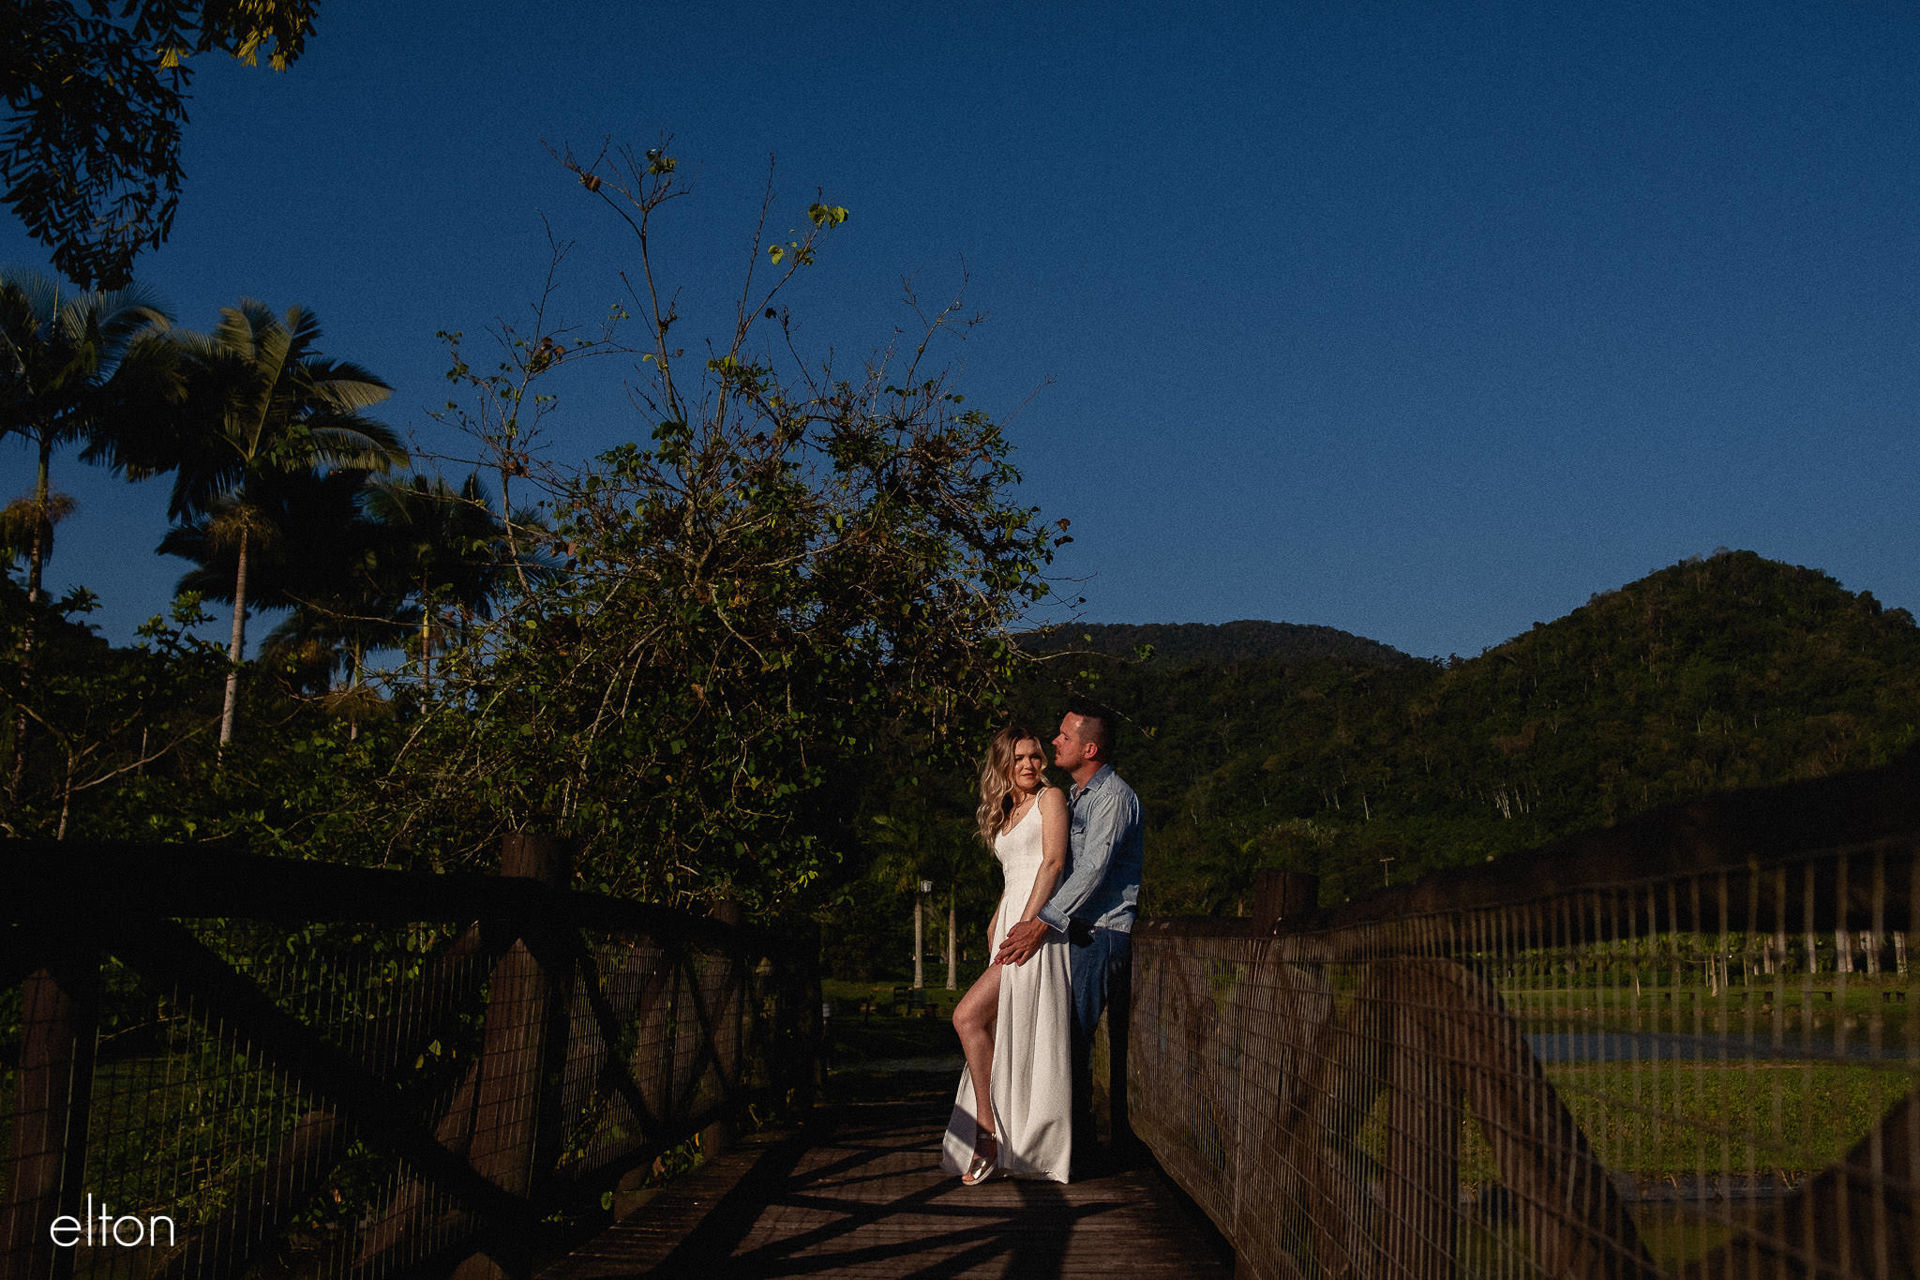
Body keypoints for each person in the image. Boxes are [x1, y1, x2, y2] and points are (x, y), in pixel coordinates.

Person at [994, 701, 1142, 1170]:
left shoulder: (1113, 797)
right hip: (1073, 932)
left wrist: (1040, 922)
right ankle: (1060, 1147)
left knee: (1071, 1042)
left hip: (1099, 934)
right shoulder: (1074, 796)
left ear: (1089, 748)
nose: (1054, 742)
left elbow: (1093, 869)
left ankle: (1075, 1154)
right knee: (1059, 1039)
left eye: (1064, 737)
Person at [940, 725, 1074, 1184]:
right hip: (1011, 925)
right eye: (1018, 758)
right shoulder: (1005, 810)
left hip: (1034, 930)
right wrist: (996, 919)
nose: (1029, 764)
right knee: (998, 1026)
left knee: (966, 1016)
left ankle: (988, 1132)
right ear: (1003, 763)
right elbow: (1014, 873)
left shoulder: (1050, 799)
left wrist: (1027, 924)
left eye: (1035, 756)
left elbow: (1052, 862)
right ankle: (997, 1129)